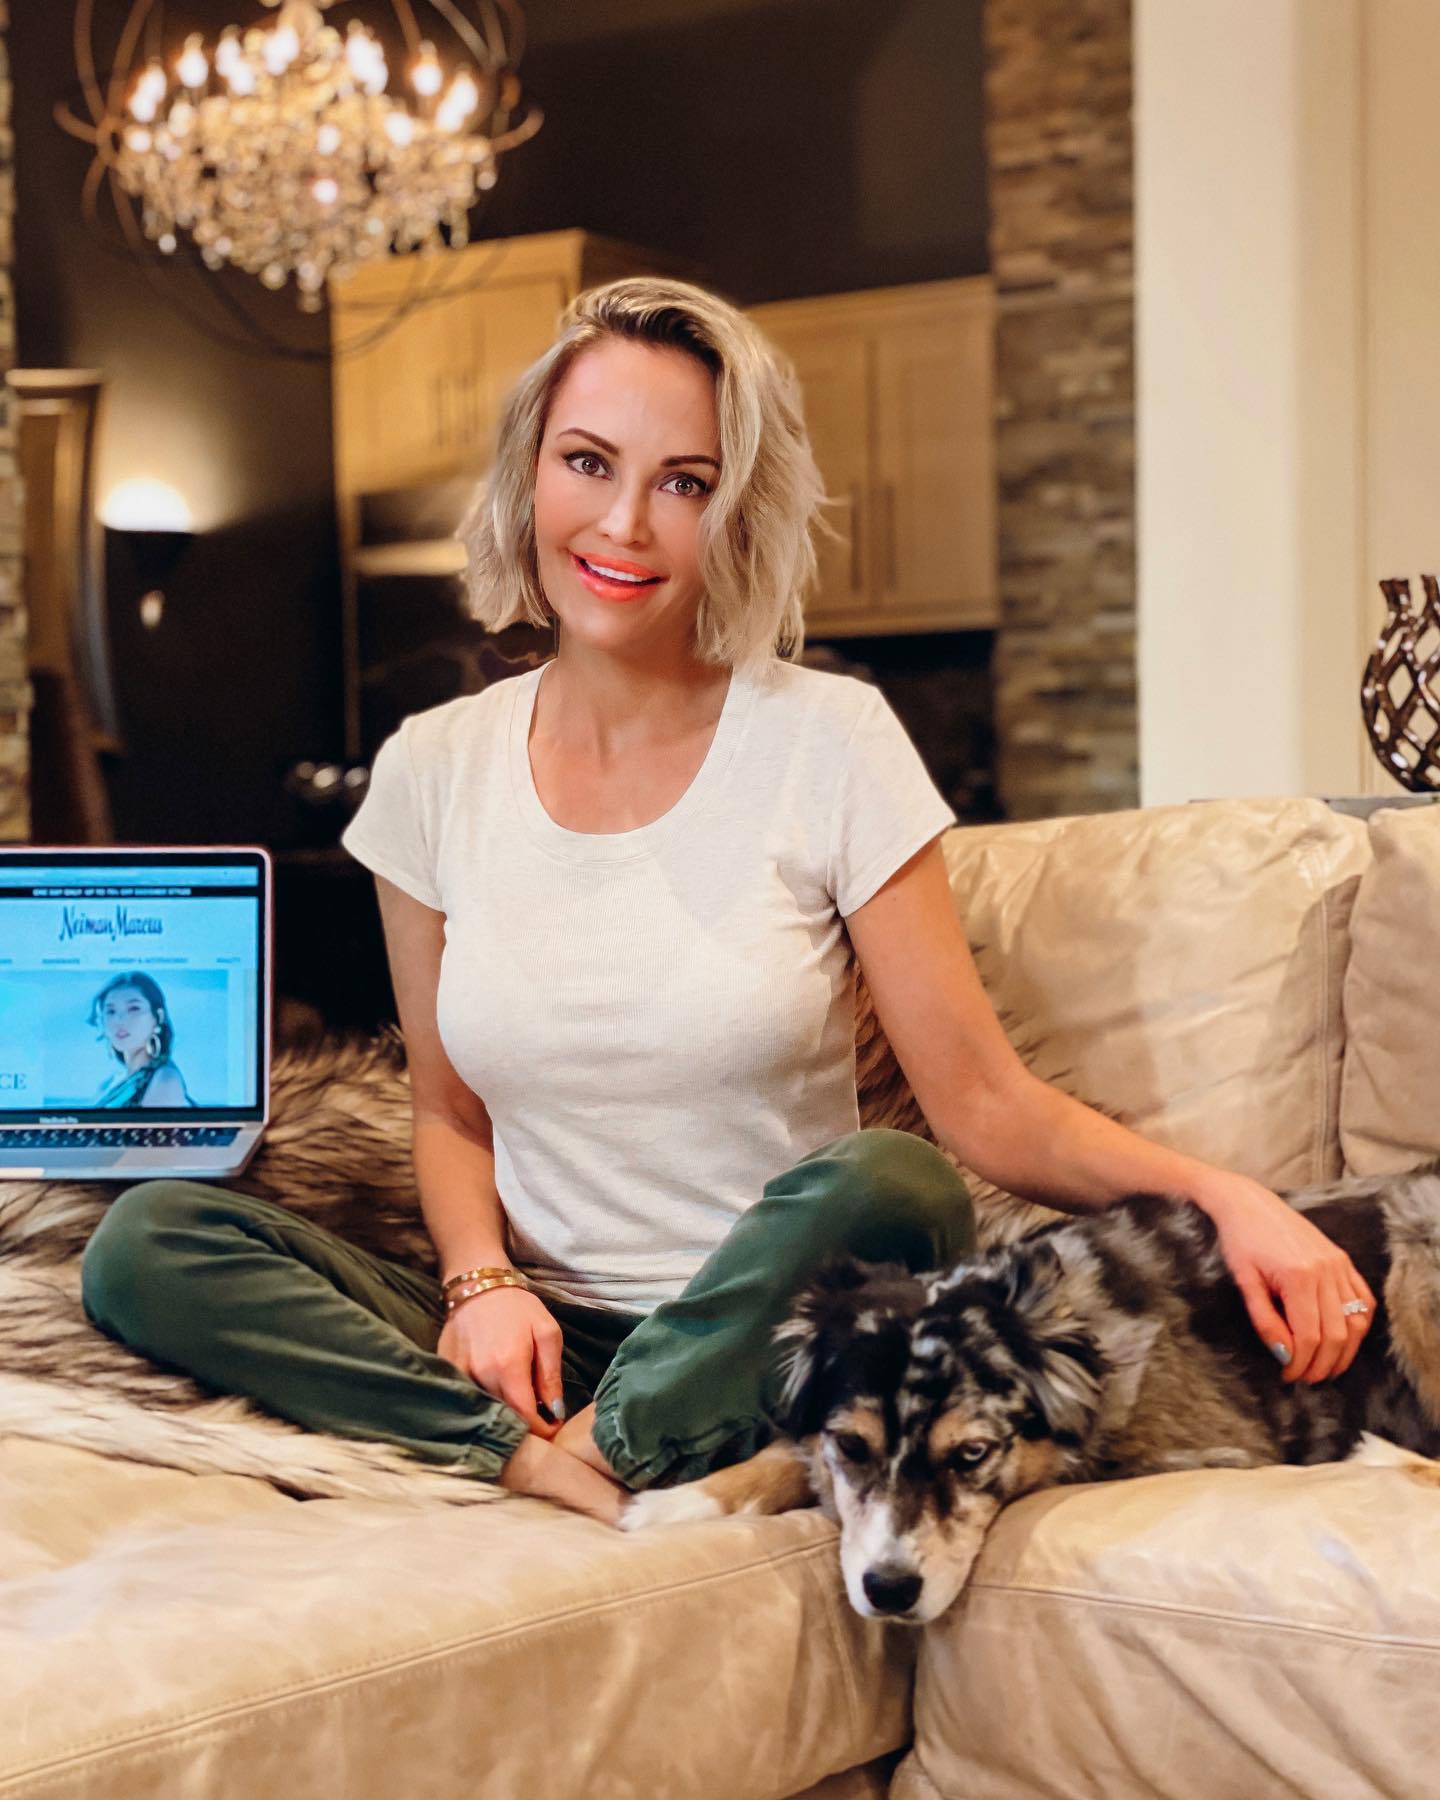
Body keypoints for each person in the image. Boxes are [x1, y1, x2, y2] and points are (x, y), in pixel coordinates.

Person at [78, 278, 1376, 1528]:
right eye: (588, 462)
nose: (626, 524)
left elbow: (984, 1106)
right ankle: (515, 1458)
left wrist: (1227, 1198)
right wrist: (477, 1287)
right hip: (535, 1338)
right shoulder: (431, 770)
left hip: (777, 1326)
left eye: (683, 482)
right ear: (529, 472)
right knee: (147, 1242)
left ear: (736, 508)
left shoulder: (832, 739)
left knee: (893, 1183)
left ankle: (596, 1451)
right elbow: (445, 1111)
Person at [88, 972, 193, 1108]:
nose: (119, 1020)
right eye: (111, 1011)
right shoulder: (108, 1085)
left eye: (134, 1008)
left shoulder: (165, 1080)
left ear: (157, 1017)